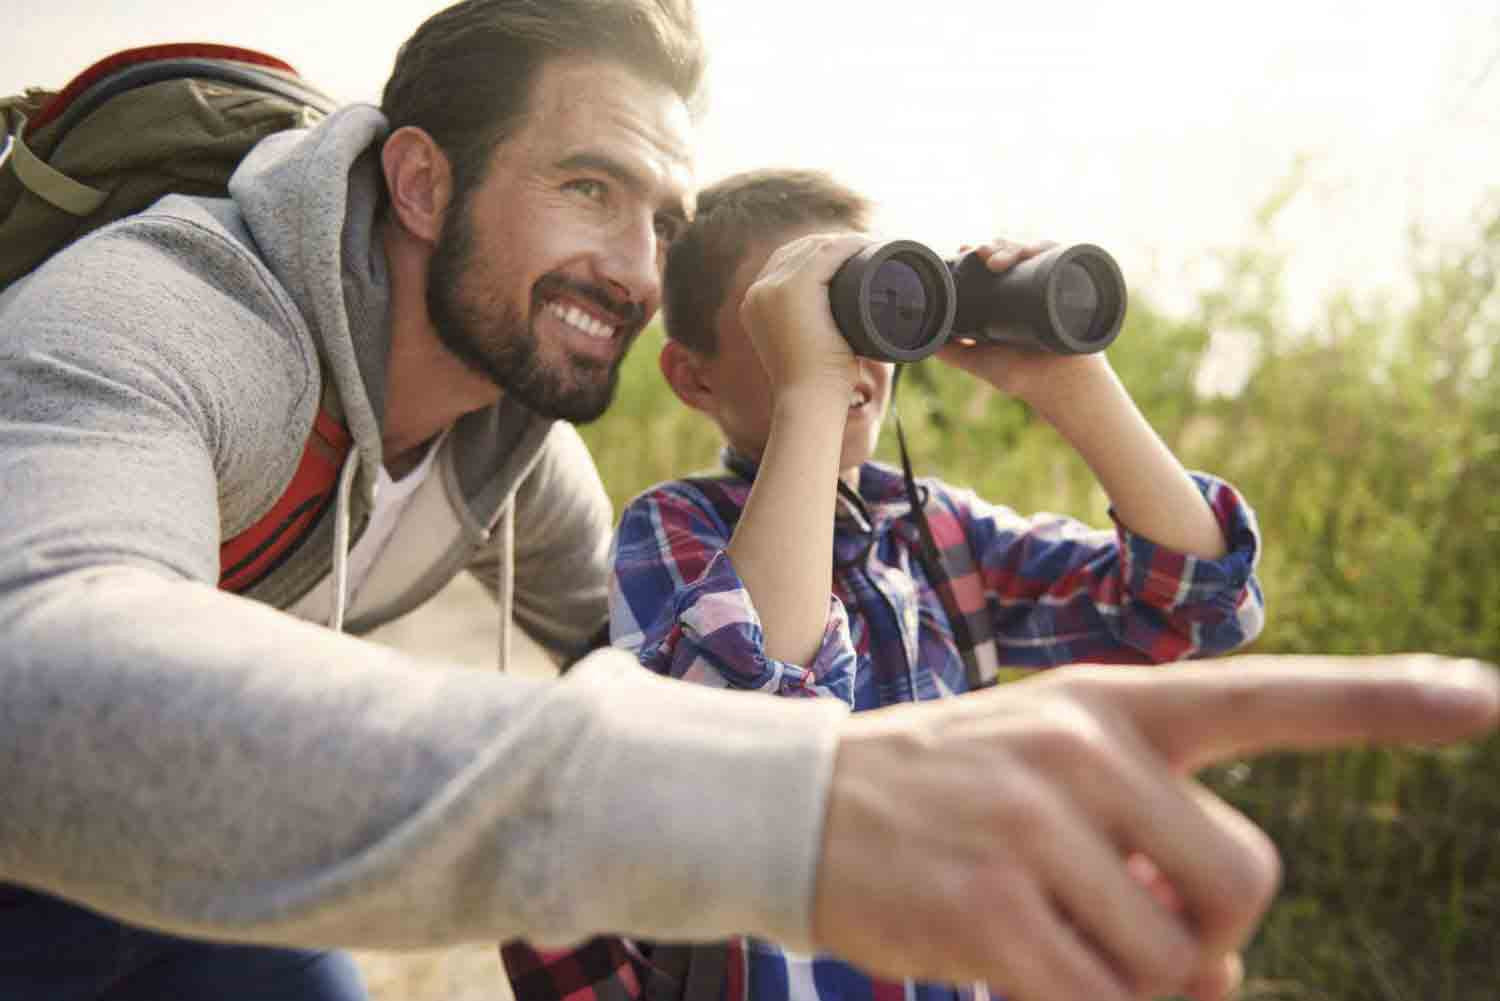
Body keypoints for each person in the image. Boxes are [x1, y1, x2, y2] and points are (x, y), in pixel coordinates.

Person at [0, 3, 1494, 1001]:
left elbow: (655, 668)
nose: (639, 269)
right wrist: (808, 803)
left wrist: (1057, 380)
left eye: (663, 217)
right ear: (420, 182)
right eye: (587, 188)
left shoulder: (518, 459)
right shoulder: (177, 316)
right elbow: (34, 667)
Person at [501, 166, 1267, 1001]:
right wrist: (811, 395)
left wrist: (1071, 381)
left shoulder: (936, 531)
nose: (851, 358)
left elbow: (1196, 604)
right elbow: (746, 715)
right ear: (695, 378)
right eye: (793, 326)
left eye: (869, 308)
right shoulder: (676, 528)